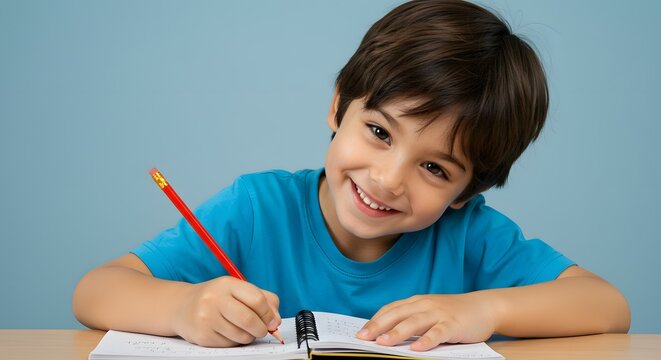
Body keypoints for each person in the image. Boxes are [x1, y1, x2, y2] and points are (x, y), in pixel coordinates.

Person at [73, 0, 630, 352]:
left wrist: (483, 309)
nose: (388, 179)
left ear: (469, 191)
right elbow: (96, 291)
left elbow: (607, 307)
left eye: (435, 168)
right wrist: (181, 309)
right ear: (339, 106)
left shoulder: (471, 237)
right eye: (380, 132)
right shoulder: (257, 207)